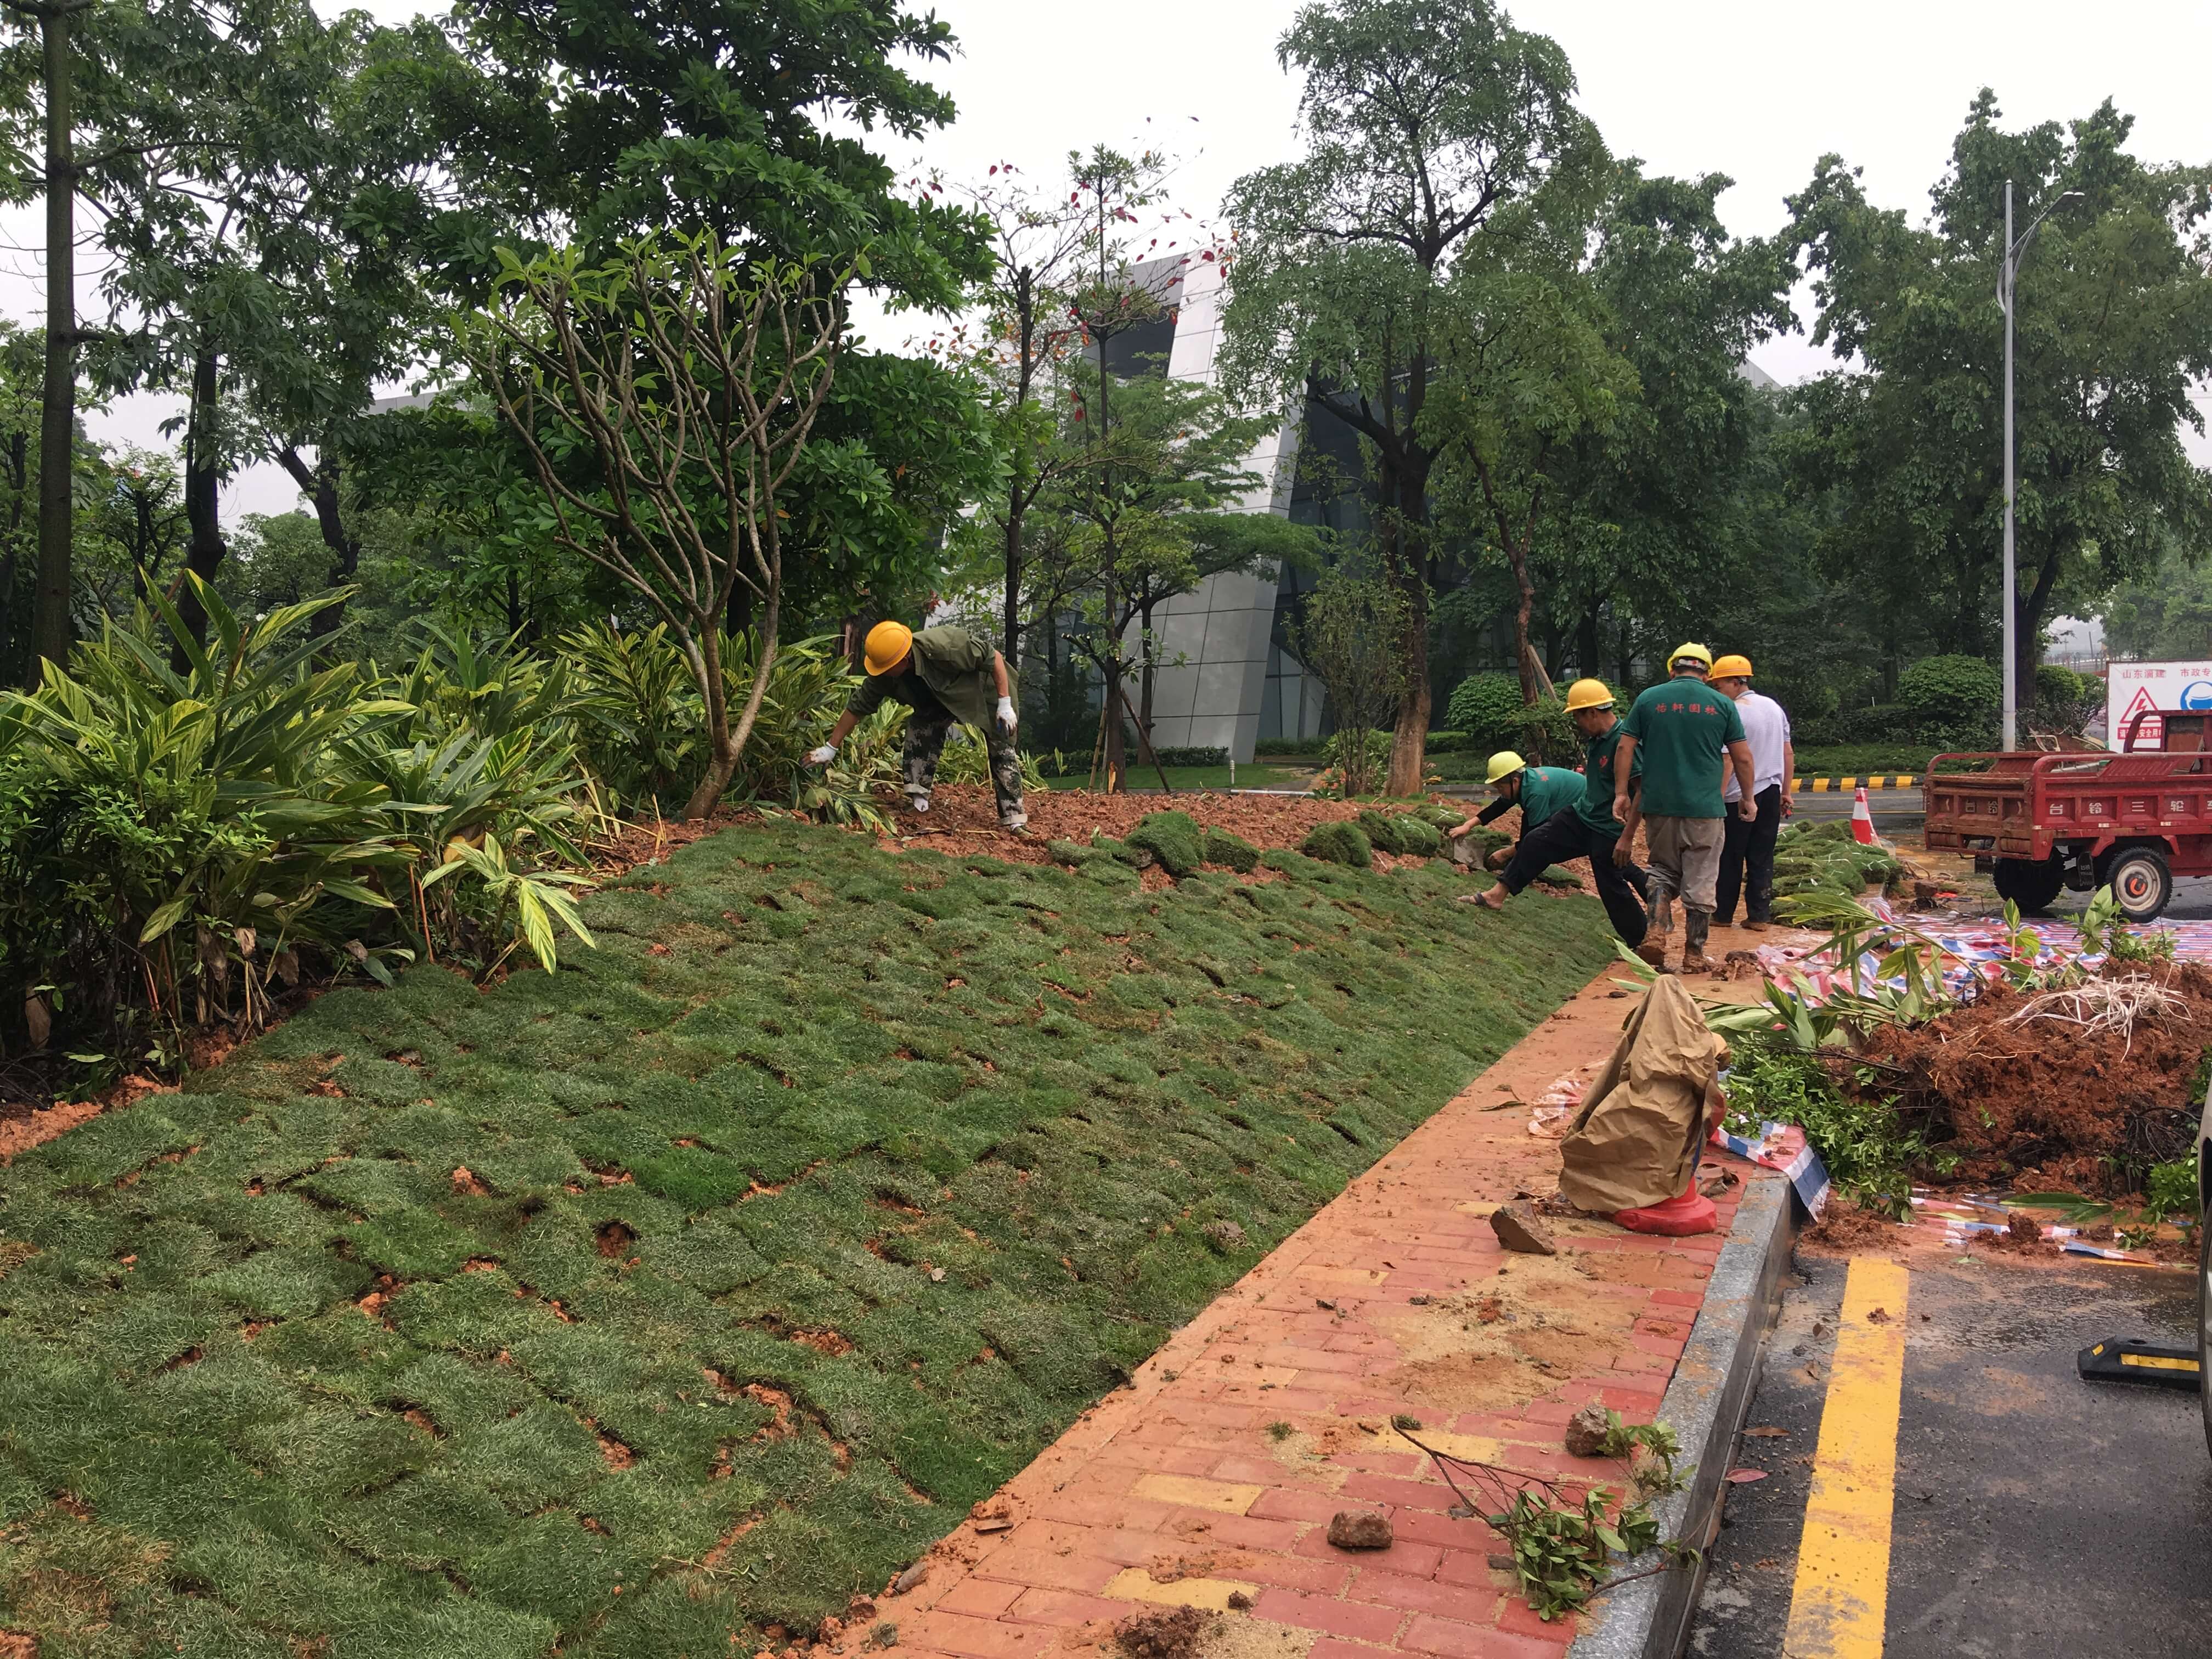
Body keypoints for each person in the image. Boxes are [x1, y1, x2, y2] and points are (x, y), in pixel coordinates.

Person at [1470, 680, 1654, 947]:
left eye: (1578, 715)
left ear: (1592, 712)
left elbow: (1641, 791)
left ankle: (1643, 941)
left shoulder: (1624, 742)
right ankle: (1496, 895)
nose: (1577, 722)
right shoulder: (1597, 740)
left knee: (1611, 887)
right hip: (1582, 815)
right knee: (1535, 841)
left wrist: (1627, 837)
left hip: (1607, 827)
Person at [1611, 644, 1757, 974]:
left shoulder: (1648, 700)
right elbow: (1743, 757)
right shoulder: (1722, 704)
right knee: (1702, 877)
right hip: (1705, 809)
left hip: (1658, 806)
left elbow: (1625, 746)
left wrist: (1621, 793)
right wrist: (1748, 798)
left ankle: (1657, 933)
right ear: (1707, 673)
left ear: (1672, 669)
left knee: (1662, 870)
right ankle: (1693, 954)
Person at [807, 620, 1028, 831]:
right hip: (938, 699)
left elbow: (994, 658)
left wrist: (1005, 703)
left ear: (904, 659)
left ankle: (1013, 818)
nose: (880, 671)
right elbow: (857, 707)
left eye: (885, 666)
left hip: (987, 691)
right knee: (920, 730)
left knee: (1001, 747)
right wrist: (831, 747)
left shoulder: (946, 645)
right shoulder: (885, 674)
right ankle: (919, 802)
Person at [1710, 654, 1793, 933]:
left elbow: (1728, 760)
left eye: (1719, 685)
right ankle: (1759, 916)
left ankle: (1722, 914)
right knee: (1762, 855)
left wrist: (1716, 799)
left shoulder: (1734, 711)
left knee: (1730, 856)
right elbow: (1787, 752)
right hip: (1771, 791)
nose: (1717, 691)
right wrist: (1787, 791)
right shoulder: (1773, 708)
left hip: (1739, 795)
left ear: (1736, 681)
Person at [1448, 751, 1584, 868]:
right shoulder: (1523, 782)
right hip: (1565, 801)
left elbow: (1539, 833)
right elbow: (1498, 807)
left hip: (1584, 808)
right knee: (1528, 821)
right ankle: (1522, 861)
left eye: (1501, 788)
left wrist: (1506, 853)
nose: (1500, 792)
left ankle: (1526, 870)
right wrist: (1467, 825)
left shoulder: (1536, 793)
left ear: (1515, 781)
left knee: (1545, 841)